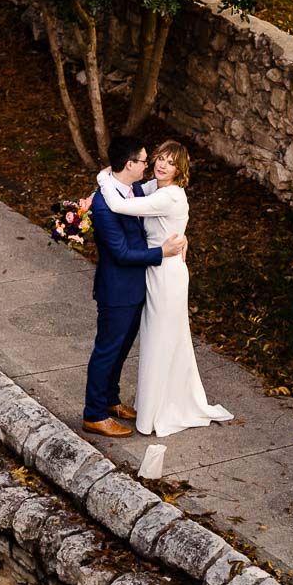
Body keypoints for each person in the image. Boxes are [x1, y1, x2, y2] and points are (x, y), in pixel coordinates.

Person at [97, 140, 234, 436]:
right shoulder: (155, 188)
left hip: (166, 274)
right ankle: (151, 404)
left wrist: (101, 177)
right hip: (154, 269)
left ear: (179, 169)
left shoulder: (170, 196)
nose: (161, 165)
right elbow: (131, 191)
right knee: (156, 339)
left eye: (171, 163)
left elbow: (120, 204)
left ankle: (158, 412)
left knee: (161, 339)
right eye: (160, 158)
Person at [82, 136, 187, 438]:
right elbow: (121, 254)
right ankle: (94, 414)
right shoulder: (104, 206)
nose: (149, 164)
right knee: (107, 350)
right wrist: (161, 253)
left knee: (122, 349)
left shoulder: (132, 189)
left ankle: (111, 400)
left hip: (137, 287)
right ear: (130, 164)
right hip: (117, 291)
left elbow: (168, 208)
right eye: (143, 160)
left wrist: (180, 234)